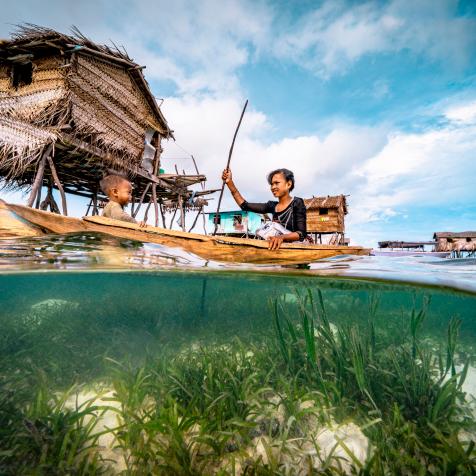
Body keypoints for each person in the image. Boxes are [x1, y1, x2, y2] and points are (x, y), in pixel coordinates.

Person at [222, 168, 307, 250]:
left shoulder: (297, 202)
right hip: (278, 245)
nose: (273, 187)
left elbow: (301, 234)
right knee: (266, 228)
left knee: (273, 226)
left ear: (288, 184)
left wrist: (281, 237)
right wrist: (230, 183)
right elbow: (245, 206)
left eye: (276, 183)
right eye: (272, 184)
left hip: (296, 244)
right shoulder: (272, 206)